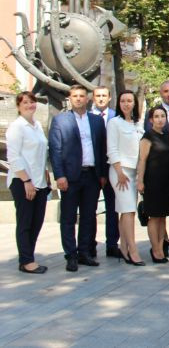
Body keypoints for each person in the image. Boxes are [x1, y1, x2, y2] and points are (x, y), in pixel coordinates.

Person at [48, 85, 107, 272]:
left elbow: (102, 148)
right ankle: (70, 255)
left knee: (89, 216)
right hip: (70, 177)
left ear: (88, 99)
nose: (79, 99)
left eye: (82, 96)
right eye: (75, 96)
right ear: (70, 98)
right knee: (68, 217)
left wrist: (102, 174)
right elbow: (55, 150)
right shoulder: (60, 120)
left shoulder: (96, 121)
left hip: (91, 175)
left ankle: (84, 253)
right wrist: (59, 175)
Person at [7, 91, 51, 274]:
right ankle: (26, 261)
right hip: (22, 181)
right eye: (25, 102)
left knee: (37, 221)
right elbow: (14, 157)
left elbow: (41, 152)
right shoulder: (17, 127)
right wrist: (26, 180)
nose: (29, 105)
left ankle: (28, 256)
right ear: (18, 106)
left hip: (39, 182)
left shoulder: (37, 125)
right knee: (25, 222)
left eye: (32, 102)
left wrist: (46, 174)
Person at [106, 90, 145, 266]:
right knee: (129, 210)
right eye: (123, 101)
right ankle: (133, 250)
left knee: (126, 210)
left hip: (134, 172)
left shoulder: (138, 124)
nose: (126, 104)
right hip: (120, 172)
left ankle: (123, 247)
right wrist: (119, 171)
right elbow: (112, 149)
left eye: (129, 101)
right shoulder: (114, 123)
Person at [137, 107, 169, 264]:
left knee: (162, 217)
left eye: (162, 116)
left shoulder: (167, 136)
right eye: (156, 116)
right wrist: (140, 181)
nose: (160, 119)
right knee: (154, 217)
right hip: (152, 181)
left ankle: (161, 247)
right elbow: (142, 160)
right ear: (151, 120)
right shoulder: (147, 137)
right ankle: (155, 250)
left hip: (166, 181)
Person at [90, 85, 120, 258]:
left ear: (109, 98)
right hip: (93, 171)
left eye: (104, 96)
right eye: (97, 96)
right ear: (93, 98)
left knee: (112, 209)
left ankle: (111, 244)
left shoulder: (116, 116)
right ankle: (89, 244)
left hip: (112, 169)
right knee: (90, 210)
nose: (101, 98)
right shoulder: (86, 117)